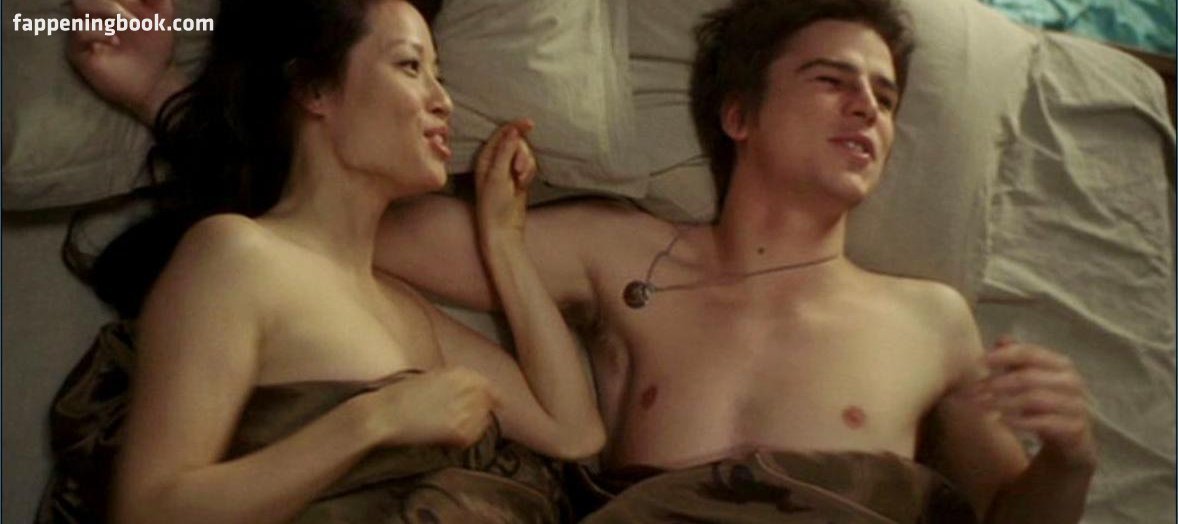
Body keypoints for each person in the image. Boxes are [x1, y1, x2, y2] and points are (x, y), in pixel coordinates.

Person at [71, 0, 1098, 522]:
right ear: (738, 114)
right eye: (832, 80)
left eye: (884, 95)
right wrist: (158, 96)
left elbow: (1012, 520)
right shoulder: (616, 249)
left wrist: (1068, 463)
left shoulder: (930, 317)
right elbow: (340, 225)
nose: (866, 108)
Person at [58, 0, 603, 523]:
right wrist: (374, 420)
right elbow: (147, 511)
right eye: (410, 67)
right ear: (315, 89)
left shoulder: (404, 308)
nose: (443, 101)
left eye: (438, 76)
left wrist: (505, 242)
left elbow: (573, 433)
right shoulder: (236, 255)